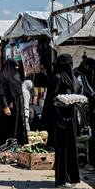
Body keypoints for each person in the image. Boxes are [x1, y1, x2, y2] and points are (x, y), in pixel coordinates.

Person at [46, 54, 81, 188]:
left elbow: (51, 99)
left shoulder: (58, 77)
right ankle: (69, 179)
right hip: (69, 118)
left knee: (64, 149)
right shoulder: (73, 79)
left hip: (62, 119)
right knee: (69, 148)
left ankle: (65, 179)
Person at [0, 58, 28, 147]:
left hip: (18, 105)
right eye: (15, 66)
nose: (16, 68)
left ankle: (17, 146)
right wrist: (5, 107)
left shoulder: (16, 75)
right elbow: (2, 93)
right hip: (9, 106)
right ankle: (4, 147)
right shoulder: (3, 76)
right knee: (7, 127)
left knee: (18, 126)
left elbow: (19, 91)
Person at [74, 58, 95, 170]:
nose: (91, 70)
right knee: (83, 134)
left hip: (78, 107)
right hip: (80, 108)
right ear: (86, 66)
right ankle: (82, 159)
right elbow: (88, 88)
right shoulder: (80, 74)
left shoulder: (76, 71)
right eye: (90, 68)